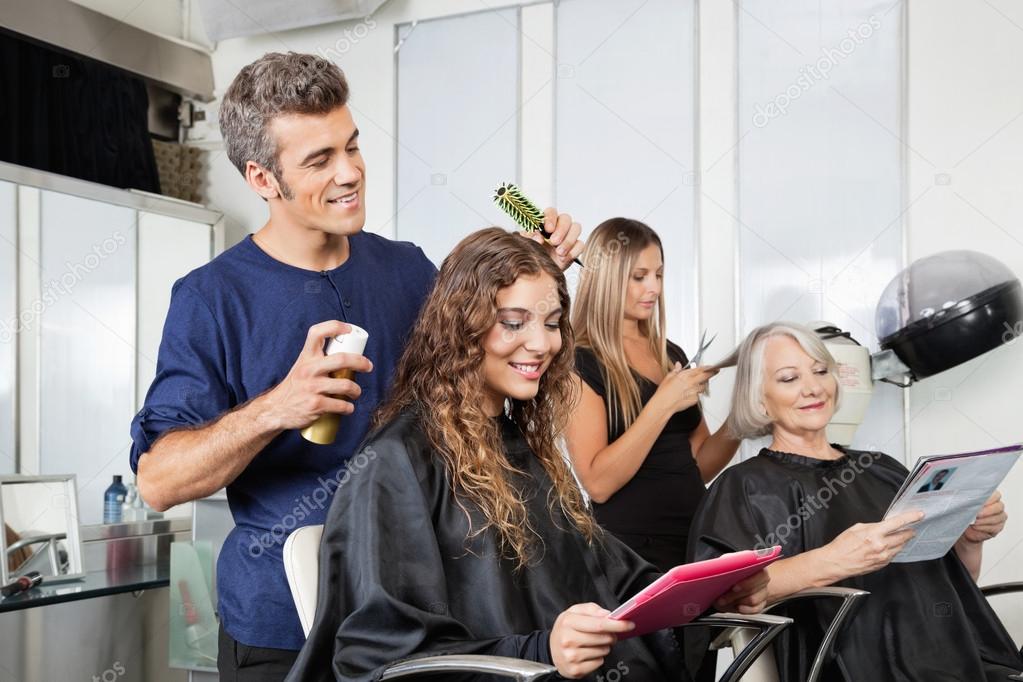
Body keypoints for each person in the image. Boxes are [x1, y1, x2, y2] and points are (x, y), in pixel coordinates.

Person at [128, 53, 583, 681]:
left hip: (416, 617)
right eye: (319, 160)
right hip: (283, 629)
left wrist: (533, 273)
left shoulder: (407, 270)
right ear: (263, 178)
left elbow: (487, 373)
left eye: (352, 146)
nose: (350, 173)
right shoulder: (212, 298)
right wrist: (276, 408)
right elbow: (159, 481)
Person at [285, 229, 769, 682]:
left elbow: (608, 575)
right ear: (461, 326)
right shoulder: (397, 460)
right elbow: (379, 655)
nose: (542, 344)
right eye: (514, 322)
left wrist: (702, 597)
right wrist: (541, 652)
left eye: (554, 323)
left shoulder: (521, 445)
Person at [688, 322, 1023, 682]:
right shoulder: (743, 486)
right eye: (789, 378)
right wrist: (833, 560)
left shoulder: (882, 469)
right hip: (850, 668)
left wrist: (970, 540)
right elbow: (722, 598)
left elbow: (949, 587)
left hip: (957, 660)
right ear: (758, 399)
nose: (813, 387)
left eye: (820, 371)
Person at [565, 218, 739, 571]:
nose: (654, 288)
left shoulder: (669, 353)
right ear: (608, 278)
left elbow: (700, 464)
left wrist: (744, 420)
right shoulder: (579, 362)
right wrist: (663, 403)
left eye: (659, 275)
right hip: (629, 554)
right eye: (640, 276)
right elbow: (597, 483)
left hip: (694, 539)